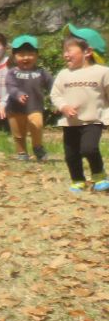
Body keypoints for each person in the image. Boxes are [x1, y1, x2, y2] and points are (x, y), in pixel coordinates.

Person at [50, 24, 109, 194]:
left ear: (87, 52)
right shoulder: (63, 74)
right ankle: (78, 180)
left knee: (89, 148)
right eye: (64, 51)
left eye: (69, 50)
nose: (65, 54)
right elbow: (55, 95)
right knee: (71, 154)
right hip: (70, 122)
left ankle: (99, 176)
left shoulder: (102, 72)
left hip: (93, 119)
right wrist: (64, 106)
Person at [5, 35, 54, 161]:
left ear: (36, 55)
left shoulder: (42, 72)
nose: (26, 57)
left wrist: (57, 101)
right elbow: (11, 86)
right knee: (18, 133)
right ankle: (22, 152)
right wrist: (18, 94)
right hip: (14, 108)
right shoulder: (12, 72)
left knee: (37, 125)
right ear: (14, 56)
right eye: (21, 54)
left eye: (30, 54)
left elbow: (53, 86)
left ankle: (37, 147)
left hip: (34, 106)